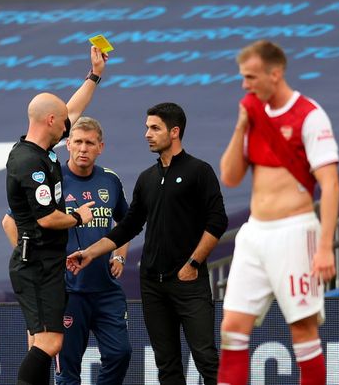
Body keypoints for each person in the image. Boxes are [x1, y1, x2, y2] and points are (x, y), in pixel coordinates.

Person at [67, 102, 228, 385]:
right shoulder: (147, 179)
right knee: (167, 365)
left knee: (206, 358)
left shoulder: (199, 171)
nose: (147, 134)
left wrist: (193, 264)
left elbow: (217, 223)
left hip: (189, 283)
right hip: (153, 284)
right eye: (147, 128)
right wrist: (91, 253)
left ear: (174, 132)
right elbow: (128, 226)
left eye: (154, 128)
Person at [216, 40, 339, 385]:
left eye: (251, 76)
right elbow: (230, 176)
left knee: (302, 330)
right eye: (243, 77)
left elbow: (330, 185)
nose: (245, 84)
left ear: (276, 73)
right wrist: (241, 125)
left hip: (295, 230)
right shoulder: (252, 115)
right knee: (232, 328)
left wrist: (326, 246)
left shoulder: (310, 115)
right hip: (255, 232)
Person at [5, 46, 108, 385]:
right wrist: (78, 217)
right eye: (64, 122)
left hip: (45, 262)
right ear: (51, 121)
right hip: (37, 264)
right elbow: (47, 218)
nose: (70, 125)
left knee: (38, 341)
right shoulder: (29, 163)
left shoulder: (42, 148)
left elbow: (73, 108)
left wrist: (94, 75)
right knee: (50, 342)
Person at [3, 116, 132, 384]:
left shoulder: (110, 180)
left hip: (106, 289)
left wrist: (119, 254)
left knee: (121, 353)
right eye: (78, 142)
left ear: (101, 147)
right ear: (68, 145)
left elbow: (126, 223)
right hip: (68, 291)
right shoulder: (52, 178)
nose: (83, 148)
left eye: (90, 143)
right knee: (68, 370)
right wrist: (35, 257)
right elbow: (10, 221)